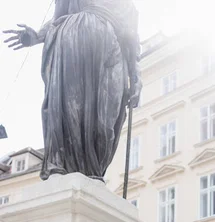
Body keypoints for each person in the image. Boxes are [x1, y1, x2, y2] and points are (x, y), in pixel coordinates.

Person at [3, 0, 141, 181]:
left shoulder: (127, 5)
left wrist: (135, 76)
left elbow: (131, 36)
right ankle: (64, 169)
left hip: (110, 48)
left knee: (106, 120)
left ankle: (93, 173)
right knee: (70, 108)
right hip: (73, 38)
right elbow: (58, 17)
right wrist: (36, 36)